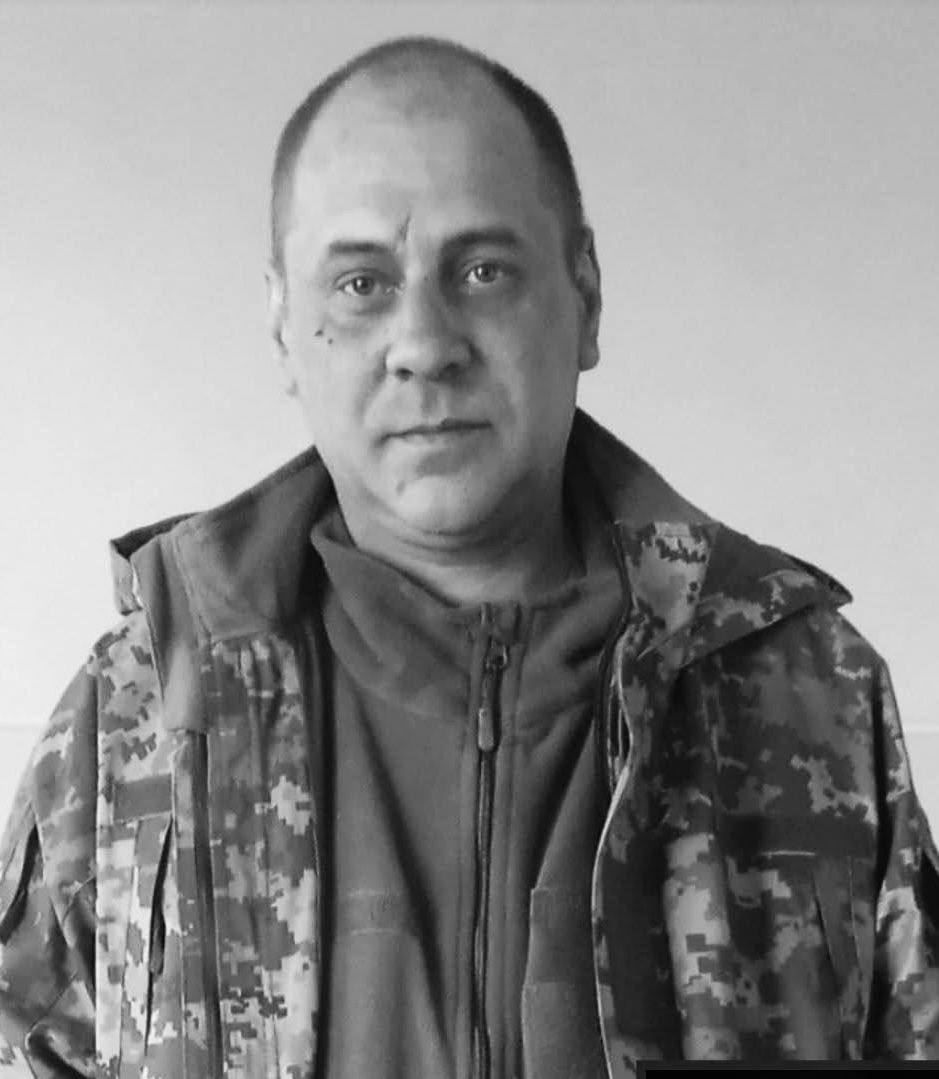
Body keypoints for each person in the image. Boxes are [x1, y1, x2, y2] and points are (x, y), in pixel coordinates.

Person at [0, 34, 936, 1079]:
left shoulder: (809, 692)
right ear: (282, 325)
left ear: (585, 296)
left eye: (483, 270)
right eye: (360, 282)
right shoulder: (137, 711)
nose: (424, 343)